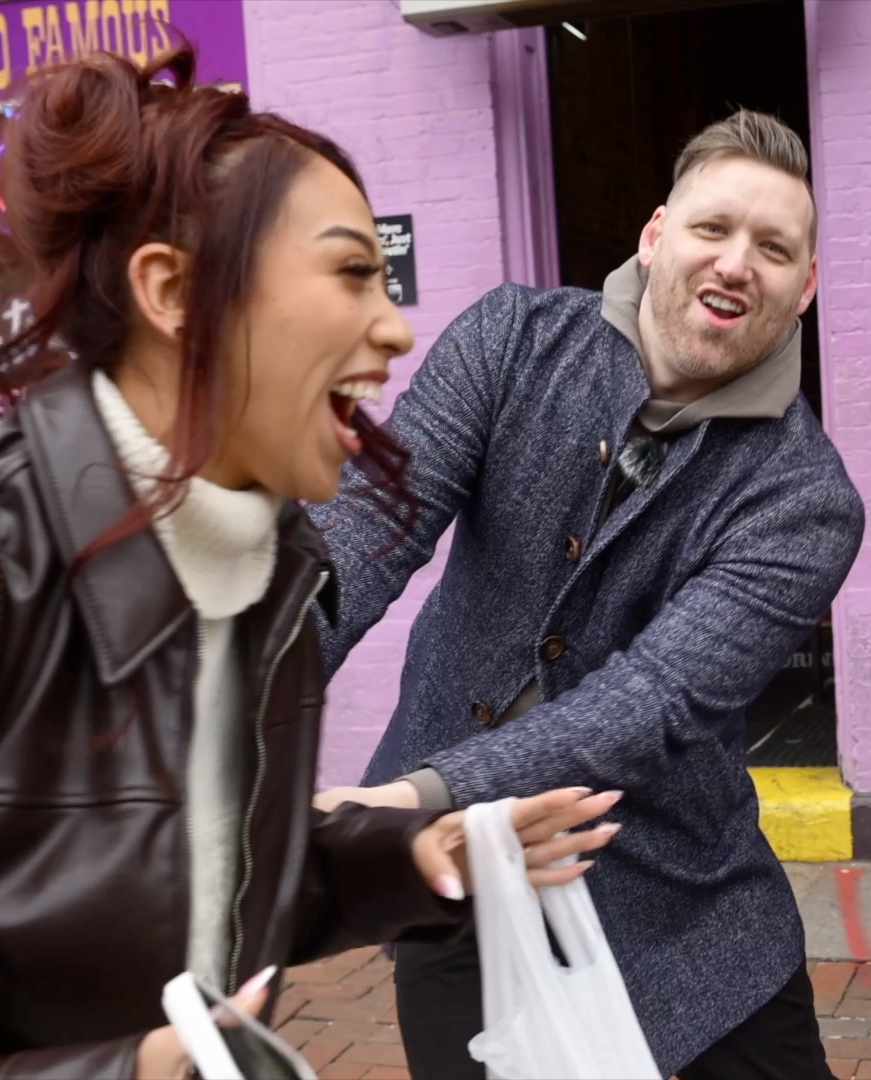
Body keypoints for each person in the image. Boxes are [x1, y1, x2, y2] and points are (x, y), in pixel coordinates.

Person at [0, 49, 618, 1079]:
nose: (395, 326)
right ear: (174, 291)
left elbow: (220, 870)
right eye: (348, 272)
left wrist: (414, 855)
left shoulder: (273, 572)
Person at [308, 109, 864, 1080]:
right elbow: (369, 532)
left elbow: (651, 701)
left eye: (774, 248)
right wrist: (232, 683)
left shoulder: (803, 499)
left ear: (806, 285)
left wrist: (406, 796)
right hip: (456, 889)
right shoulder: (513, 341)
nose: (737, 262)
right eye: (712, 228)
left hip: (682, 919)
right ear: (656, 238)